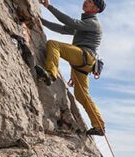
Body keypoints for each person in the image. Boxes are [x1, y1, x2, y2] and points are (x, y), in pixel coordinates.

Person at [35, 0, 106, 136]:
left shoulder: (92, 24)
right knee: (81, 95)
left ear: (96, 9)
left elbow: (69, 22)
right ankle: (99, 126)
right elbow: (63, 29)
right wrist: (40, 21)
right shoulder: (85, 24)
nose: (86, 2)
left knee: (53, 44)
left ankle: (50, 74)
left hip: (84, 56)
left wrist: (49, 6)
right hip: (85, 63)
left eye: (90, 2)